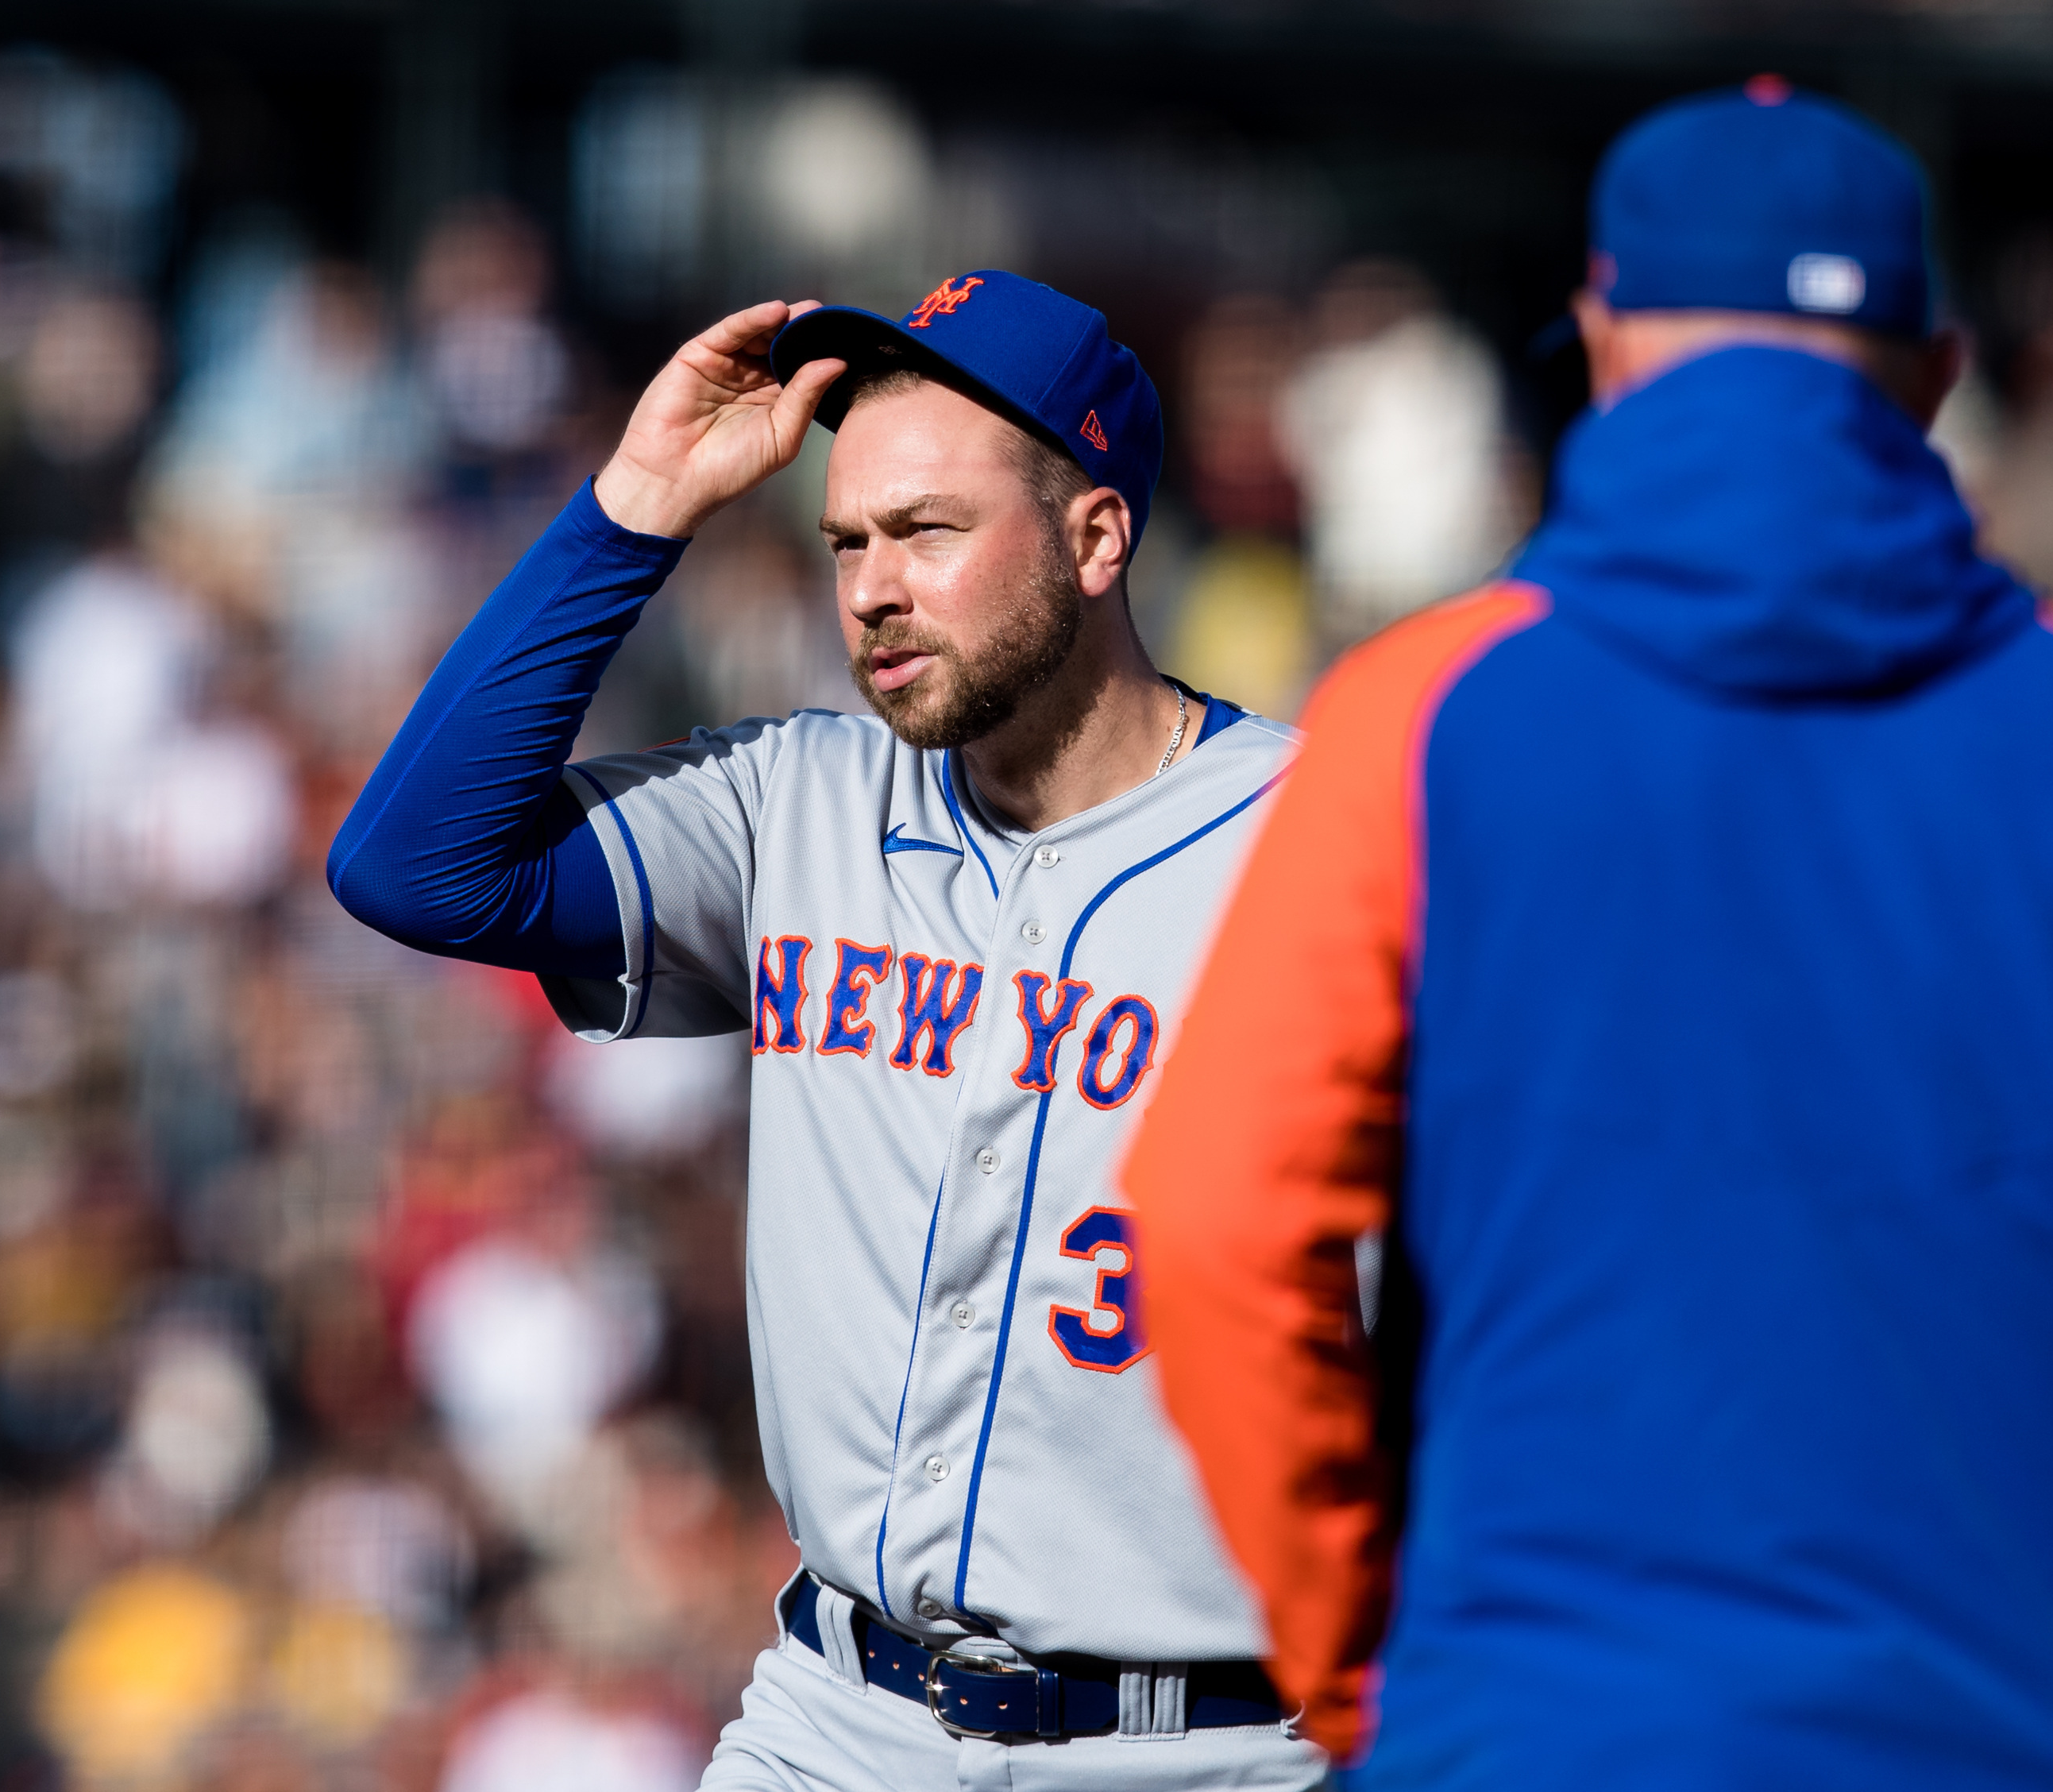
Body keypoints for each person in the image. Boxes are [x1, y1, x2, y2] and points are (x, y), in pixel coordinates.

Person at [1124, 81, 2053, 1792]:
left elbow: (1209, 1226)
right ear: (1937, 374)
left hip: (1545, 1735)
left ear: (1596, 338)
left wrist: (1372, 1666)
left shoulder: (1418, 726)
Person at [327, 273, 1326, 1790]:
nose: (871, 587)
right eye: (846, 541)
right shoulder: (795, 806)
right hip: (840, 1725)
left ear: (1096, 536)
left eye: (928, 530)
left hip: (1215, 1745)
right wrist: (637, 506)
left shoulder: (1339, 851)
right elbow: (415, 866)